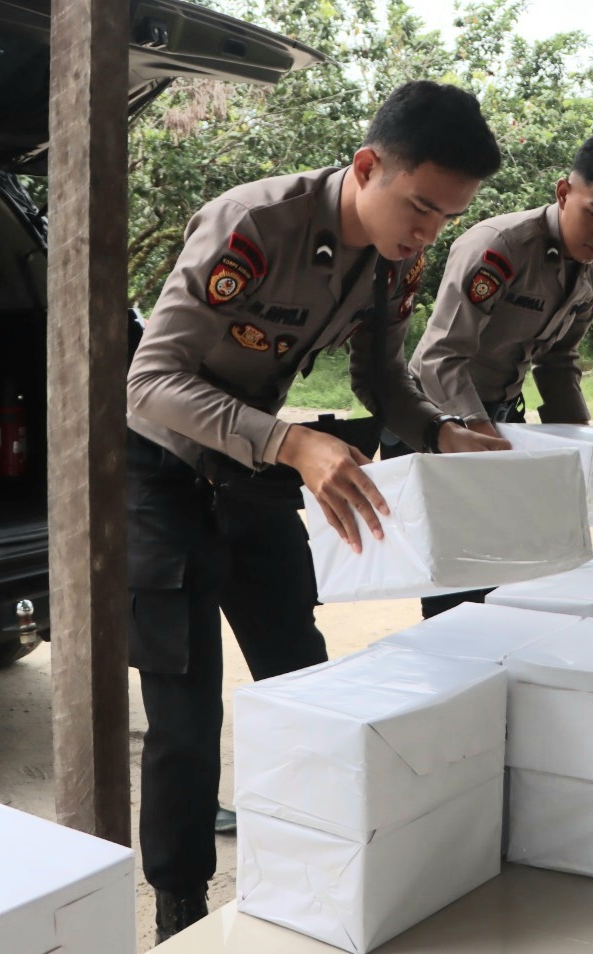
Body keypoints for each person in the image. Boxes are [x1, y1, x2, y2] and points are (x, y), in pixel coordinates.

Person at [125, 81, 510, 942]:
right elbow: (150, 382)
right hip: (162, 471)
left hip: (253, 468)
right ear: (368, 166)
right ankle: (180, 907)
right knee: (186, 715)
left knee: (304, 679)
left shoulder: (393, 257)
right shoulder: (253, 226)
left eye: (445, 217)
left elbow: (381, 382)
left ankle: (313, 866)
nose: (425, 232)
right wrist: (294, 444)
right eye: (418, 206)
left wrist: (435, 432)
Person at [404, 132, 593, 617]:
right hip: (433, 420)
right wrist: (481, 439)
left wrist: (583, 443)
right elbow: (440, 357)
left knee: (506, 573)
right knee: (457, 581)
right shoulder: (499, 249)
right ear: (564, 193)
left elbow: (558, 361)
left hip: (496, 423)